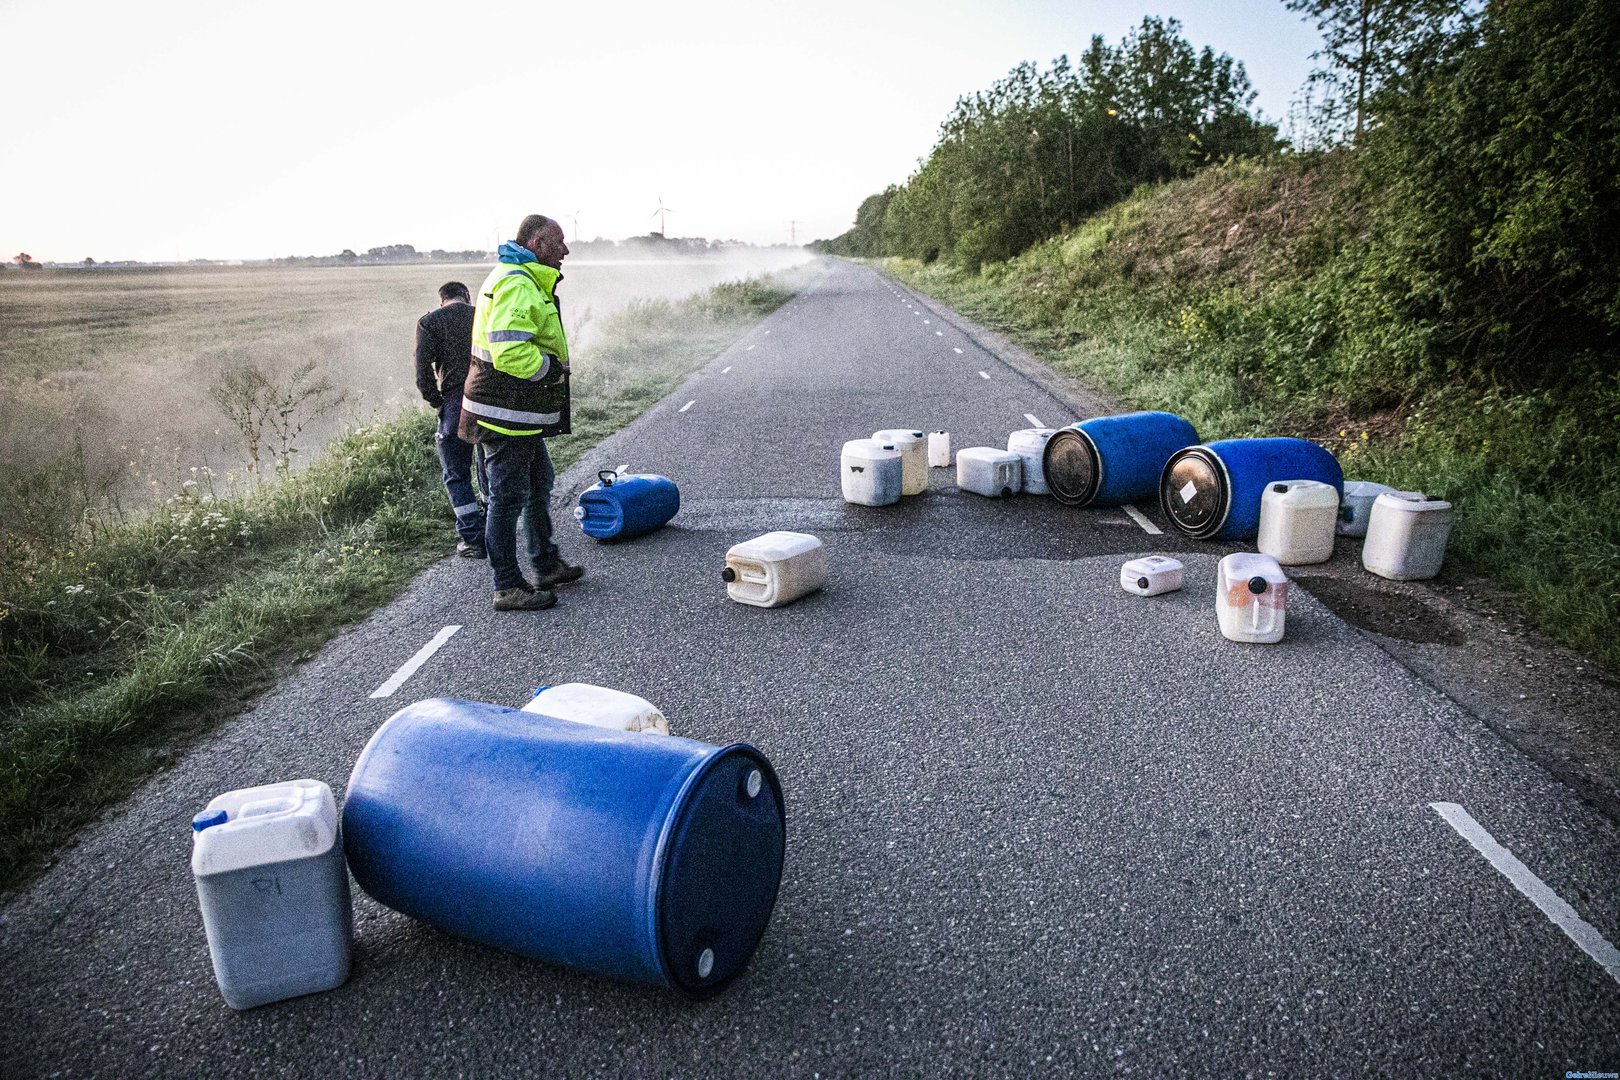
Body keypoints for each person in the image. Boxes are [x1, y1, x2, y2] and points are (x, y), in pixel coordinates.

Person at [460, 214, 584, 611]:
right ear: (536, 242)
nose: (566, 250)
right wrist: (550, 371)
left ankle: (546, 564)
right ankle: (507, 586)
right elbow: (510, 351)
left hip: (515, 414)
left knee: (539, 483)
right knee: (507, 498)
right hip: (504, 415)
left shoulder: (522, 278)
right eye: (559, 241)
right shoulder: (516, 282)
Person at [415, 281, 487, 558]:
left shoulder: (429, 322)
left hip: (455, 401)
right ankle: (494, 528)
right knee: (487, 461)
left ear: (442, 299)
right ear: (466, 296)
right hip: (486, 397)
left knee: (456, 473)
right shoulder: (482, 313)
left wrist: (437, 401)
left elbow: (423, 373)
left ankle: (472, 539)